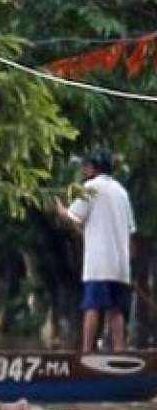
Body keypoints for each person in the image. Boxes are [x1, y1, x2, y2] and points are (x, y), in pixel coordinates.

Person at [55, 151, 136, 352]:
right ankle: (119, 351)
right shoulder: (122, 192)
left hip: (99, 264)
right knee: (116, 311)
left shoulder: (91, 187)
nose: (83, 170)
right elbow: (130, 230)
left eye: (86, 166)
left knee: (92, 307)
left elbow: (73, 216)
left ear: (93, 168)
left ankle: (86, 353)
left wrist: (59, 210)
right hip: (121, 267)